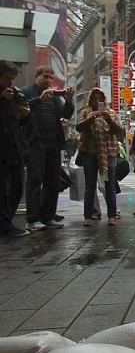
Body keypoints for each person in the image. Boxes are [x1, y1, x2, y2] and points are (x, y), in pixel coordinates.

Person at [20, 65, 75, 230]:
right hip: (35, 144)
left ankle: (48, 216)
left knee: (52, 182)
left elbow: (65, 115)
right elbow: (22, 110)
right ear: (37, 76)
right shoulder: (27, 92)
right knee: (35, 180)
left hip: (53, 144)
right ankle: (32, 219)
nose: (49, 80)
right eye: (46, 76)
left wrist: (69, 101)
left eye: (51, 77)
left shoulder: (54, 97)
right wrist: (39, 100)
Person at [75, 88, 125, 226]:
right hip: (90, 152)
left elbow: (118, 130)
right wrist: (90, 120)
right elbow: (78, 127)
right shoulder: (85, 112)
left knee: (110, 185)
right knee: (90, 185)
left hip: (109, 153)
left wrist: (108, 120)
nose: (98, 101)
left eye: (100, 99)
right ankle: (88, 216)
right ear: (90, 100)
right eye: (95, 99)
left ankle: (112, 215)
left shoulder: (111, 113)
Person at [0, 60, 30, 237]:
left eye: (12, 78)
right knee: (3, 189)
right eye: (6, 78)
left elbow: (15, 123)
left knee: (17, 187)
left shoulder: (12, 97)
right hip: (3, 150)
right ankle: (5, 225)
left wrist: (23, 114)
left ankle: (6, 221)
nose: (10, 82)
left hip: (15, 149)